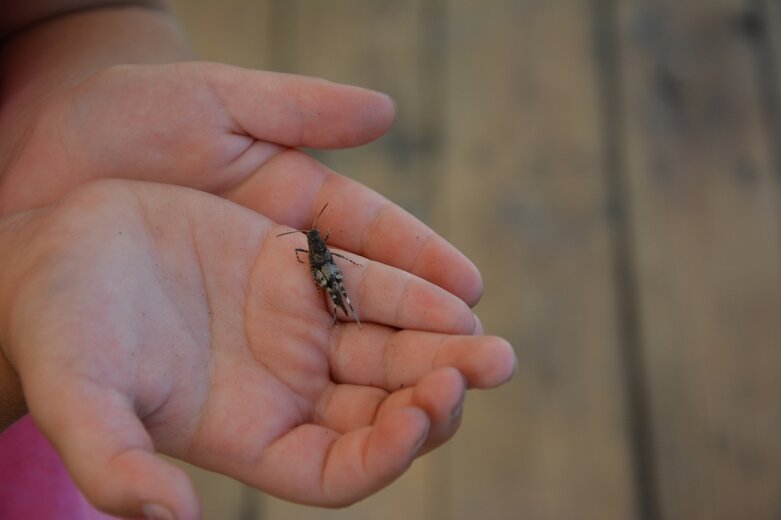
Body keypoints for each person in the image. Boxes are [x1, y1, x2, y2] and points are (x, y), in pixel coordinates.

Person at [0, 2, 517, 519]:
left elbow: (84, 11)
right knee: (332, 284)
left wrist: (48, 135)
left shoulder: (317, 245)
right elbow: (311, 258)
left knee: (338, 285)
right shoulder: (309, 248)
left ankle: (346, 308)